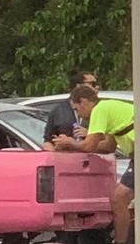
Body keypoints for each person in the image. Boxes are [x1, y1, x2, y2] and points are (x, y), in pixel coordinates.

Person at [54, 86, 133, 244]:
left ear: (84, 102)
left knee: (119, 198)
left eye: (77, 109)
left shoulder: (100, 110)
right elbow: (108, 146)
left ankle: (121, 241)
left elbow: (89, 146)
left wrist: (70, 143)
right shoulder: (110, 108)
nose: (79, 115)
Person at [43, 71, 99, 152]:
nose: (97, 87)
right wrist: (54, 156)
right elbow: (47, 141)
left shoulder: (100, 108)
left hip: (93, 158)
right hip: (65, 159)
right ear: (79, 86)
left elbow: (109, 141)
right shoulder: (58, 110)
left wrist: (90, 135)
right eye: (92, 84)